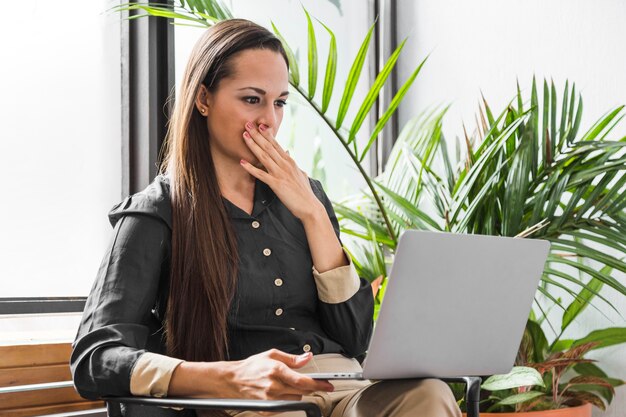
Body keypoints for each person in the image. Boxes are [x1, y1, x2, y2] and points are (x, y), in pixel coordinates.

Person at [70, 18, 461, 417]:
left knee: (428, 395)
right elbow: (95, 358)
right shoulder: (156, 212)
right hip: (249, 402)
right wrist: (226, 376)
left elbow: (355, 337)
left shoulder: (309, 199)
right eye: (252, 99)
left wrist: (312, 214)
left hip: (346, 388)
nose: (269, 120)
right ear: (203, 99)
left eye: (279, 103)